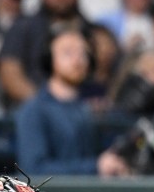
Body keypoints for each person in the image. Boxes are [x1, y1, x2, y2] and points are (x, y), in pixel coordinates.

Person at [14, 27, 130, 176]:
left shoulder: (88, 108)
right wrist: (95, 166)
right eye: (67, 53)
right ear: (49, 58)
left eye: (83, 53)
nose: (77, 60)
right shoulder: (34, 111)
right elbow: (33, 170)